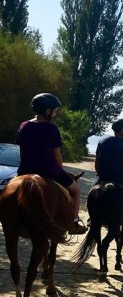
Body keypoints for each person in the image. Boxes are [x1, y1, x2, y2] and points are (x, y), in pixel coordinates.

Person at [16, 93, 87, 235]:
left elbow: (22, 152)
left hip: (25, 170)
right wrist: (61, 171)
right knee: (76, 190)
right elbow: (57, 155)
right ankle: (73, 222)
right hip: (49, 171)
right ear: (47, 111)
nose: (55, 113)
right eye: (54, 110)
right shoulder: (51, 129)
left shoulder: (23, 126)